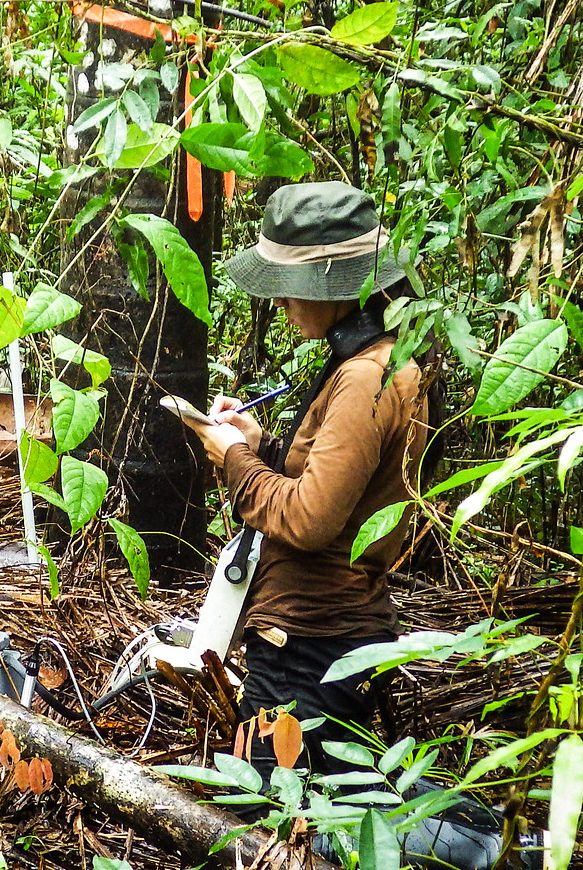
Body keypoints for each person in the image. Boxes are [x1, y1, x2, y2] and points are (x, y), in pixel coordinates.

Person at [178, 180, 430, 782]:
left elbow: (310, 520)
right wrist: (260, 443)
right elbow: (338, 482)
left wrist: (236, 457)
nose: (283, 303)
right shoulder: (377, 364)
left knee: (273, 832)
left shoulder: (368, 378)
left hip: (309, 645)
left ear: (335, 286)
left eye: (292, 287)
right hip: (323, 635)